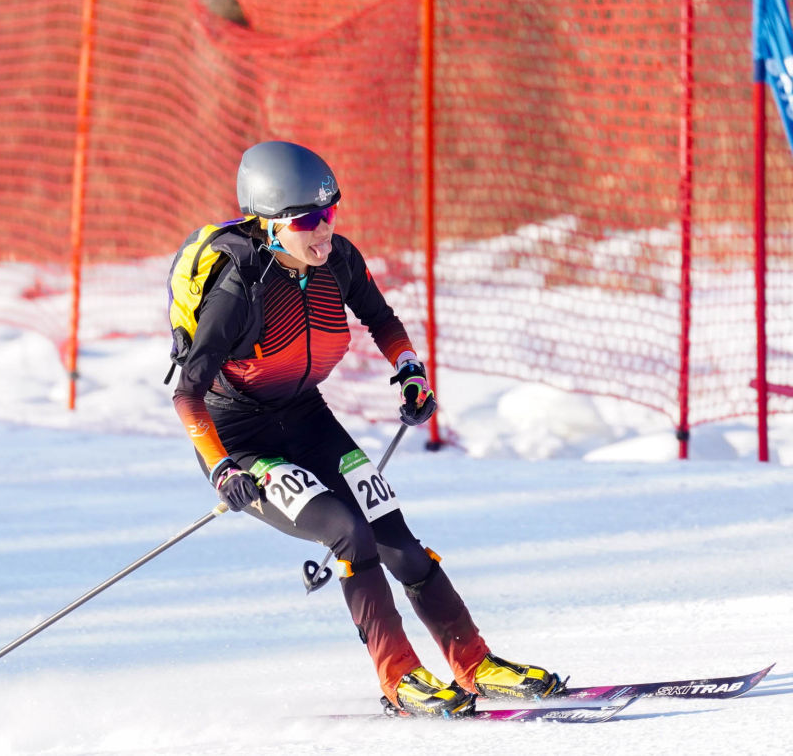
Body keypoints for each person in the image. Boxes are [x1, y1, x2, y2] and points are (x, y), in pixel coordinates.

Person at [171, 140, 561, 717]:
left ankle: (475, 662)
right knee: (348, 532)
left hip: (308, 418)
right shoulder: (238, 288)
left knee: (396, 537)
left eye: (329, 212)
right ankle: (399, 676)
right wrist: (224, 468)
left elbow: (382, 319)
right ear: (271, 226)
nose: (324, 229)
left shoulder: (339, 260)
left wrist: (410, 371)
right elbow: (187, 394)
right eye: (306, 220)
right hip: (241, 442)